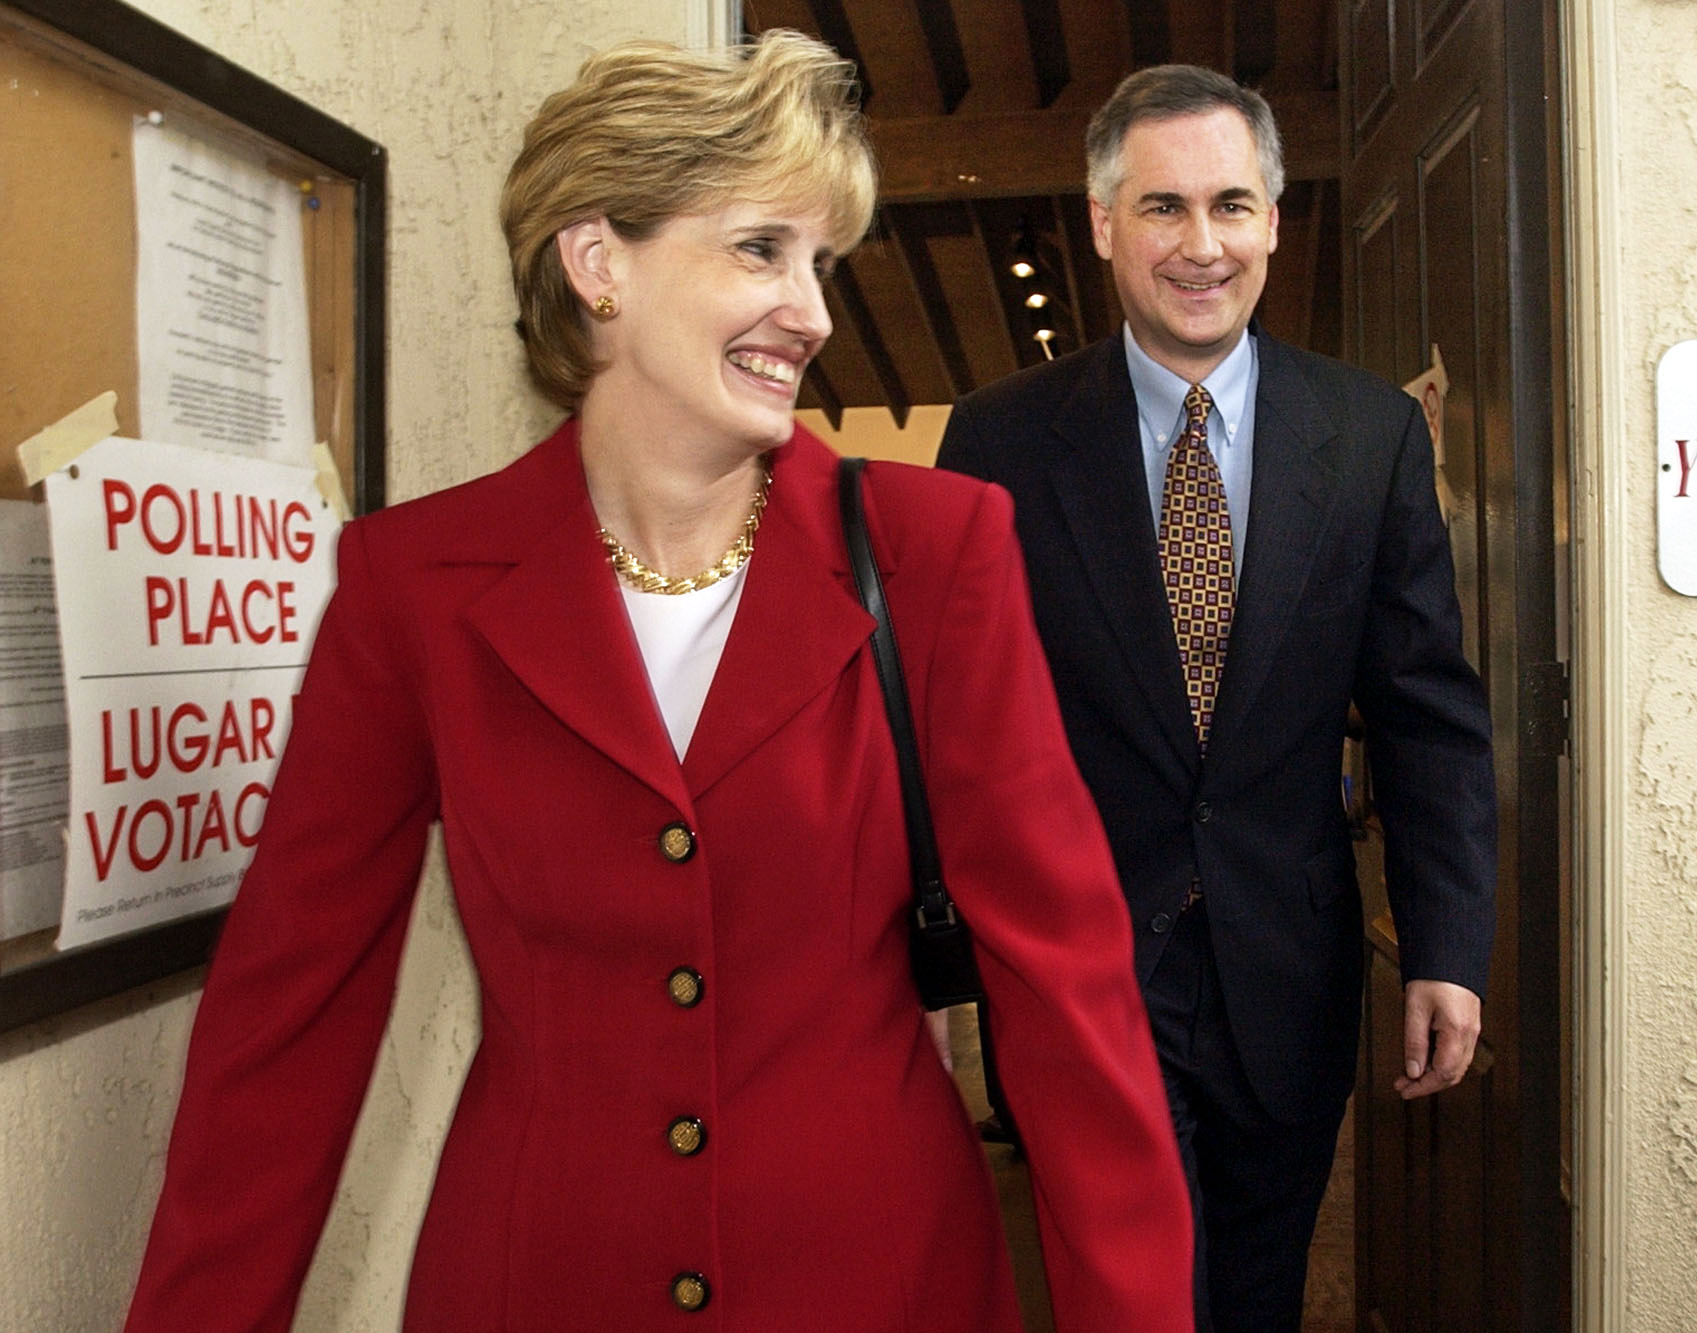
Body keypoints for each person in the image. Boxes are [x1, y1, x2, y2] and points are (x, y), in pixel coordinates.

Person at [123, 33, 1193, 1332]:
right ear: (598, 262)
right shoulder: (416, 586)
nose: (812, 309)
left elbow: (1070, 1002)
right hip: (533, 1283)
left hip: (875, 1276)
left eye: (820, 262)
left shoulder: (935, 551)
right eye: (760, 250)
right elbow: (284, 1021)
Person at [935, 64, 1498, 1332]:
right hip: (1077, 981)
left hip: (1285, 977)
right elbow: (947, 726)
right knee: (1124, 1306)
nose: (1201, 245)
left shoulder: (1366, 437)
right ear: (1099, 223)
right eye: (1161, 208)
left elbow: (1425, 711)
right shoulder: (998, 441)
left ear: (1274, 221)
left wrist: (1445, 947)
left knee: (1253, 1301)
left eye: (1231, 206)